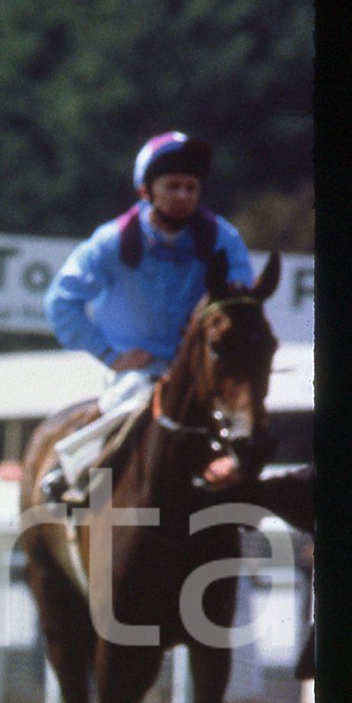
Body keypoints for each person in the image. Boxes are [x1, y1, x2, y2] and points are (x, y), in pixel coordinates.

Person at [41, 131, 255, 505]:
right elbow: (61, 302)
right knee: (134, 397)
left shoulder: (223, 238)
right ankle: (68, 470)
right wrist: (111, 355)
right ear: (145, 191)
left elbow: (239, 302)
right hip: (135, 374)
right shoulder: (112, 242)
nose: (183, 196)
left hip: (199, 372)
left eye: (191, 187)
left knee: (246, 417)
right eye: (172, 186)